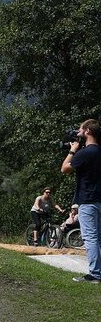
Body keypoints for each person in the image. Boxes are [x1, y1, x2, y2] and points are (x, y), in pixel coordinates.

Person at [61, 118, 101, 283]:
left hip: (88, 200)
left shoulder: (85, 153)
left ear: (88, 131)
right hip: (99, 200)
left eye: (80, 129)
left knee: (90, 238)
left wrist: (72, 151)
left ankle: (95, 274)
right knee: (98, 238)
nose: (78, 132)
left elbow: (65, 169)